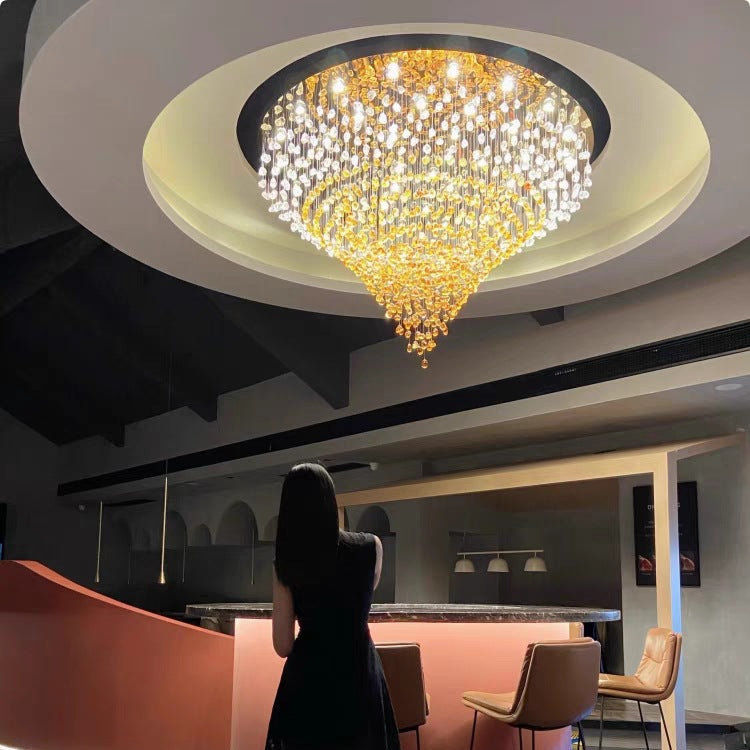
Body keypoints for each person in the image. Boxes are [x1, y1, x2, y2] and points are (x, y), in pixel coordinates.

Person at [266, 462, 400, 750]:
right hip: (359, 672)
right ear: (330, 499)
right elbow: (364, 592)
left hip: (309, 681)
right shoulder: (371, 547)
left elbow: (283, 645)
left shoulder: (286, 563)